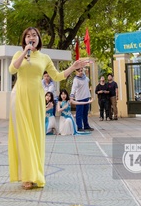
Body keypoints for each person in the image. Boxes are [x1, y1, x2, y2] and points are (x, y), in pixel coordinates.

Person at [8, 27, 88, 190]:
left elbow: (57, 76)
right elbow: (12, 69)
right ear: (24, 40)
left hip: (37, 98)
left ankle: (35, 173)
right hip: (19, 96)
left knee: (36, 135)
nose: (31, 38)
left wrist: (73, 67)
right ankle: (26, 177)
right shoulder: (19, 54)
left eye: (34, 35)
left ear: (39, 38)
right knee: (24, 135)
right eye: (28, 36)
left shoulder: (44, 57)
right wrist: (25, 52)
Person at [71, 66, 94, 132]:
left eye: (81, 70)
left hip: (86, 97)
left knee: (85, 113)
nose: (81, 72)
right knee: (79, 114)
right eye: (79, 71)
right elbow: (73, 88)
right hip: (79, 99)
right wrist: (71, 96)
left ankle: (86, 126)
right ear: (76, 72)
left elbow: (88, 81)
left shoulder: (86, 78)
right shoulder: (76, 79)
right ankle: (79, 126)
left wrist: (86, 73)